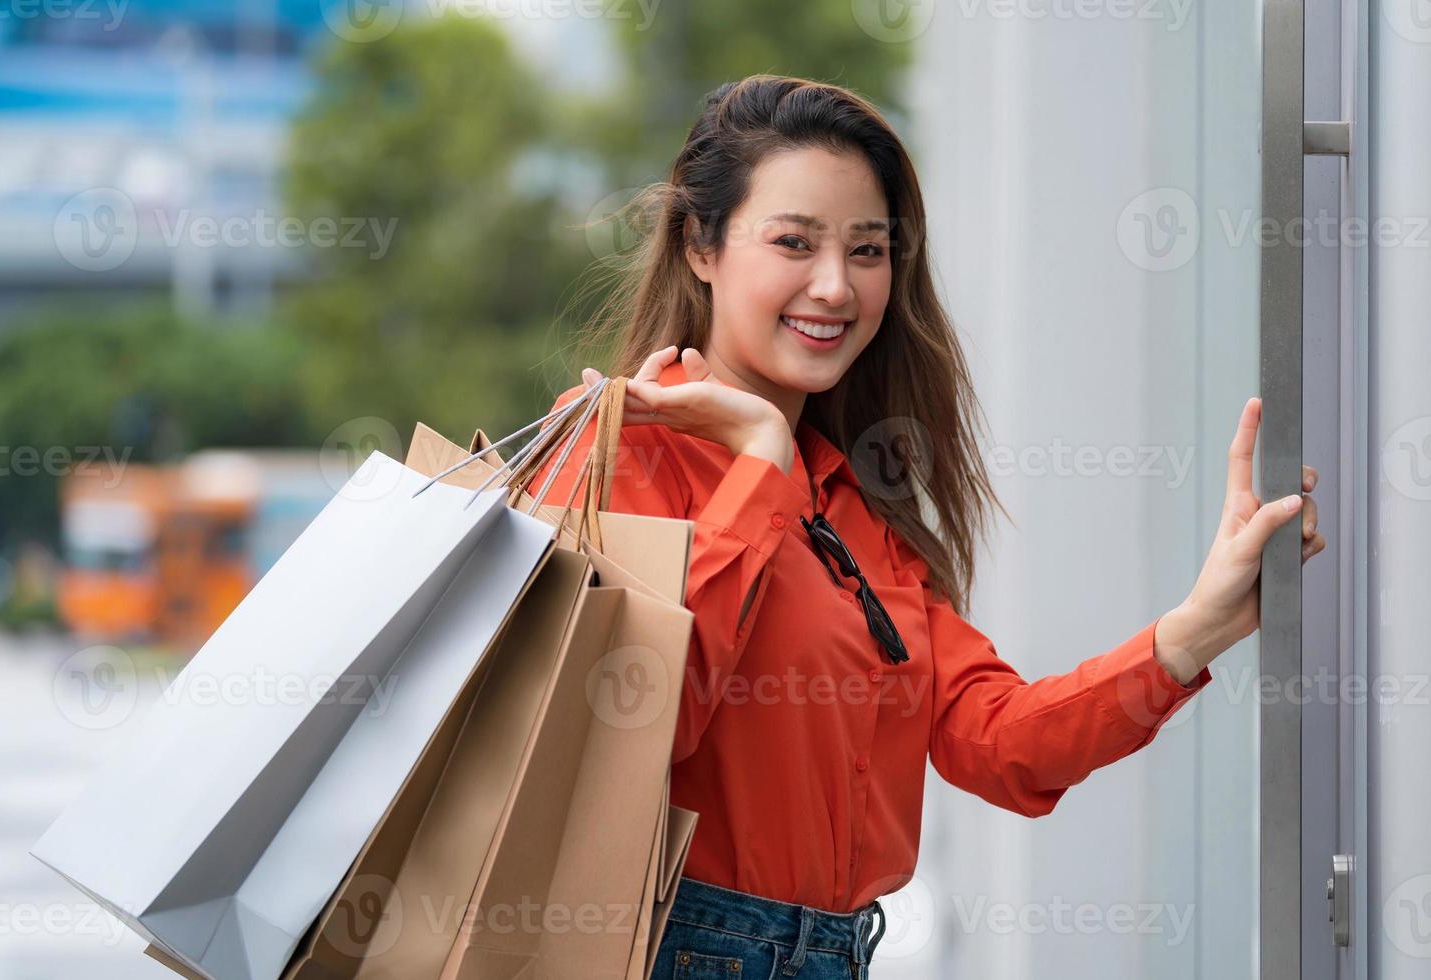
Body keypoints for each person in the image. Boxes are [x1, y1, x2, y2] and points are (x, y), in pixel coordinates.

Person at [526, 74, 1325, 980]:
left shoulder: (850, 504)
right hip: (663, 949)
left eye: (868, 251)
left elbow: (1002, 746)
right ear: (699, 245)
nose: (835, 286)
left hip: (836, 955)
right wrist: (755, 464)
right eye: (794, 242)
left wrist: (1204, 621)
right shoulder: (612, 445)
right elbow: (634, 724)